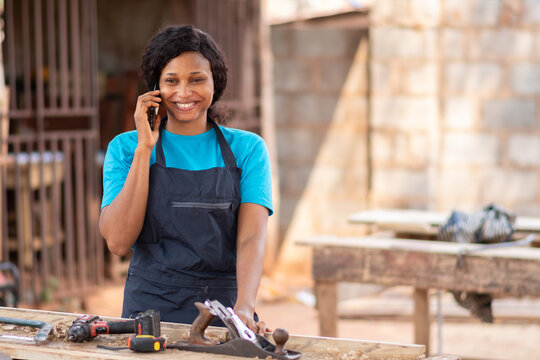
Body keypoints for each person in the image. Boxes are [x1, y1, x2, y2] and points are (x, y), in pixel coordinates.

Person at [99, 25, 272, 334]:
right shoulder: (125, 149)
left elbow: (251, 237)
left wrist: (245, 306)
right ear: (154, 87)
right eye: (171, 81)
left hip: (224, 313)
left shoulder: (248, 149)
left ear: (214, 83)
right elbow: (118, 241)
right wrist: (145, 148)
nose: (183, 93)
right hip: (149, 313)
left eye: (196, 80)